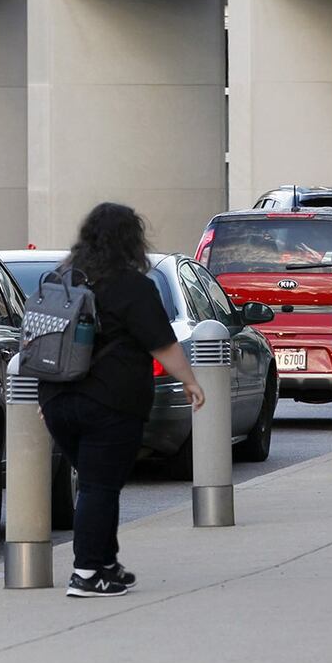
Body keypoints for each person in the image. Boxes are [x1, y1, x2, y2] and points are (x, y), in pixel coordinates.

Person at [39, 203, 207, 598]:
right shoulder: (131, 286)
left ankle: (105, 563)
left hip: (57, 400)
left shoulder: (62, 278)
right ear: (131, 240)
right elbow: (162, 343)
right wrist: (190, 381)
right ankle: (85, 573)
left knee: (98, 484)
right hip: (110, 403)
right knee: (100, 486)